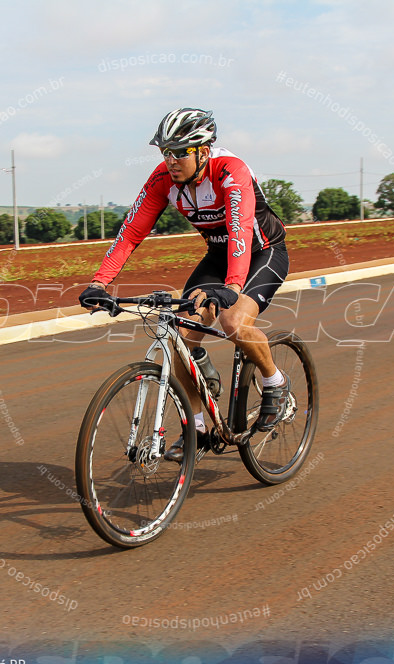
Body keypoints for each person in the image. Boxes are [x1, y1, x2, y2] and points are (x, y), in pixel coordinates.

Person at [78, 108, 290, 459]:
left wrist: (234, 288)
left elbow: (240, 230)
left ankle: (275, 383)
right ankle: (198, 431)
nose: (171, 160)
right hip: (219, 257)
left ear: (203, 151)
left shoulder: (230, 172)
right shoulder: (163, 179)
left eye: (179, 152)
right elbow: (130, 232)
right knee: (180, 340)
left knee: (233, 321)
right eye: (165, 152)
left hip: (261, 253)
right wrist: (100, 282)